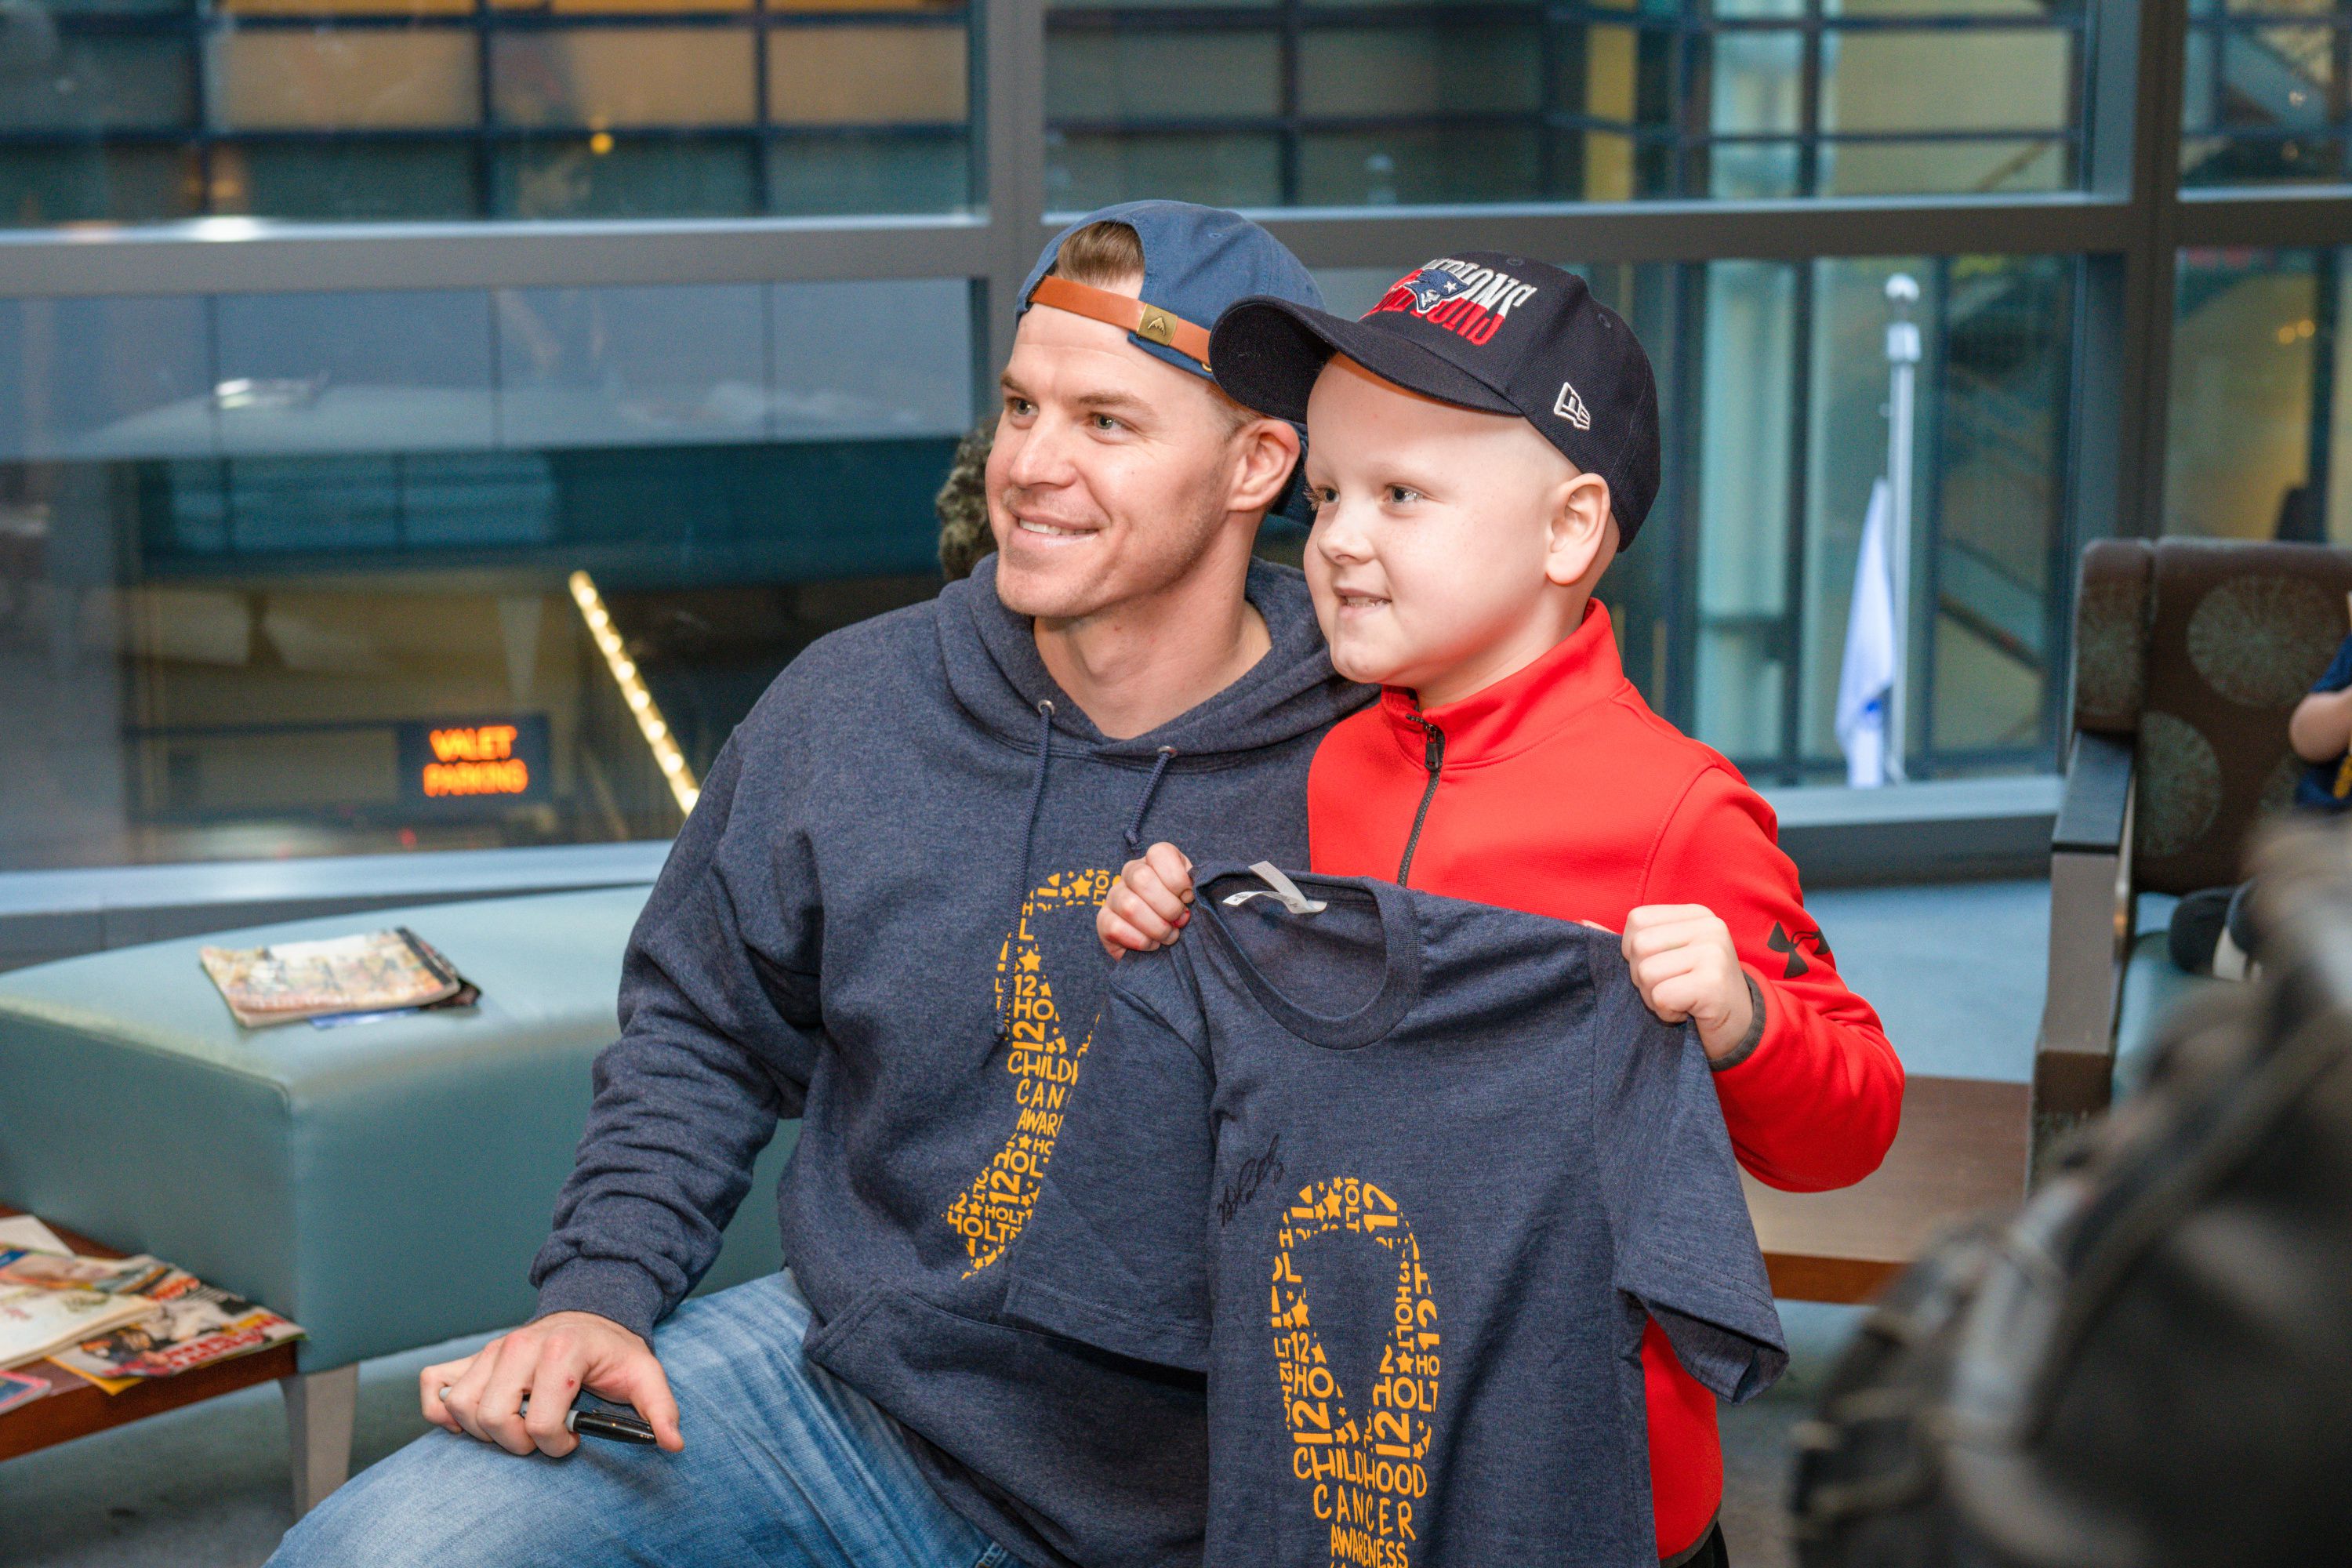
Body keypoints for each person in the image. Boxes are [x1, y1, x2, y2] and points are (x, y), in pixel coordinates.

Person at [269, 201, 1366, 1568]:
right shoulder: (853, 705)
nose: (1029, 464)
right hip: (852, 1390)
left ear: (1259, 461)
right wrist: (599, 1295)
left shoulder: (1378, 753)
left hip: (1210, 1487)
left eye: (1105, 424)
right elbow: (703, 1034)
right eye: (1022, 406)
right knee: (373, 1555)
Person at [1096, 254, 1905, 1566]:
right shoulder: (1333, 758)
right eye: (1329, 494)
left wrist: (1743, 1015)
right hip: (1355, 1456)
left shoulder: (1677, 811)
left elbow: (1853, 1124)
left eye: (1402, 495)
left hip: (1591, 1489)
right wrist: (1169, 922)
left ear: (1569, 530)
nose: (1341, 539)